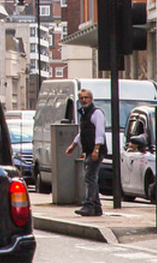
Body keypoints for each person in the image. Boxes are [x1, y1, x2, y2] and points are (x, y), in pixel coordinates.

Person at [65, 88, 105, 217]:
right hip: (89, 150)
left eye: (86, 97)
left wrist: (96, 149)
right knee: (91, 178)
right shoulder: (84, 114)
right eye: (81, 98)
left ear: (91, 99)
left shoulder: (96, 113)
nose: (84, 100)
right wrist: (73, 145)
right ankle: (97, 208)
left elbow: (100, 132)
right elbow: (83, 132)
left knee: (89, 177)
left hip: (96, 150)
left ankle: (88, 205)